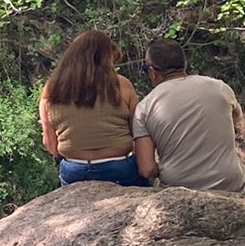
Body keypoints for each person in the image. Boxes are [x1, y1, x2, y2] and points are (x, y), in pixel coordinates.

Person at [133, 39, 245, 191]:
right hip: (230, 184)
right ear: (184, 64)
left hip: (178, 187)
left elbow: (147, 170)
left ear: (152, 72)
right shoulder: (220, 88)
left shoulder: (145, 107)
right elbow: (236, 118)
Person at [38, 29, 144, 187]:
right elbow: (138, 132)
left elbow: (51, 146)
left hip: (74, 170)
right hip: (120, 168)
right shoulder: (122, 85)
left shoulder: (51, 90)